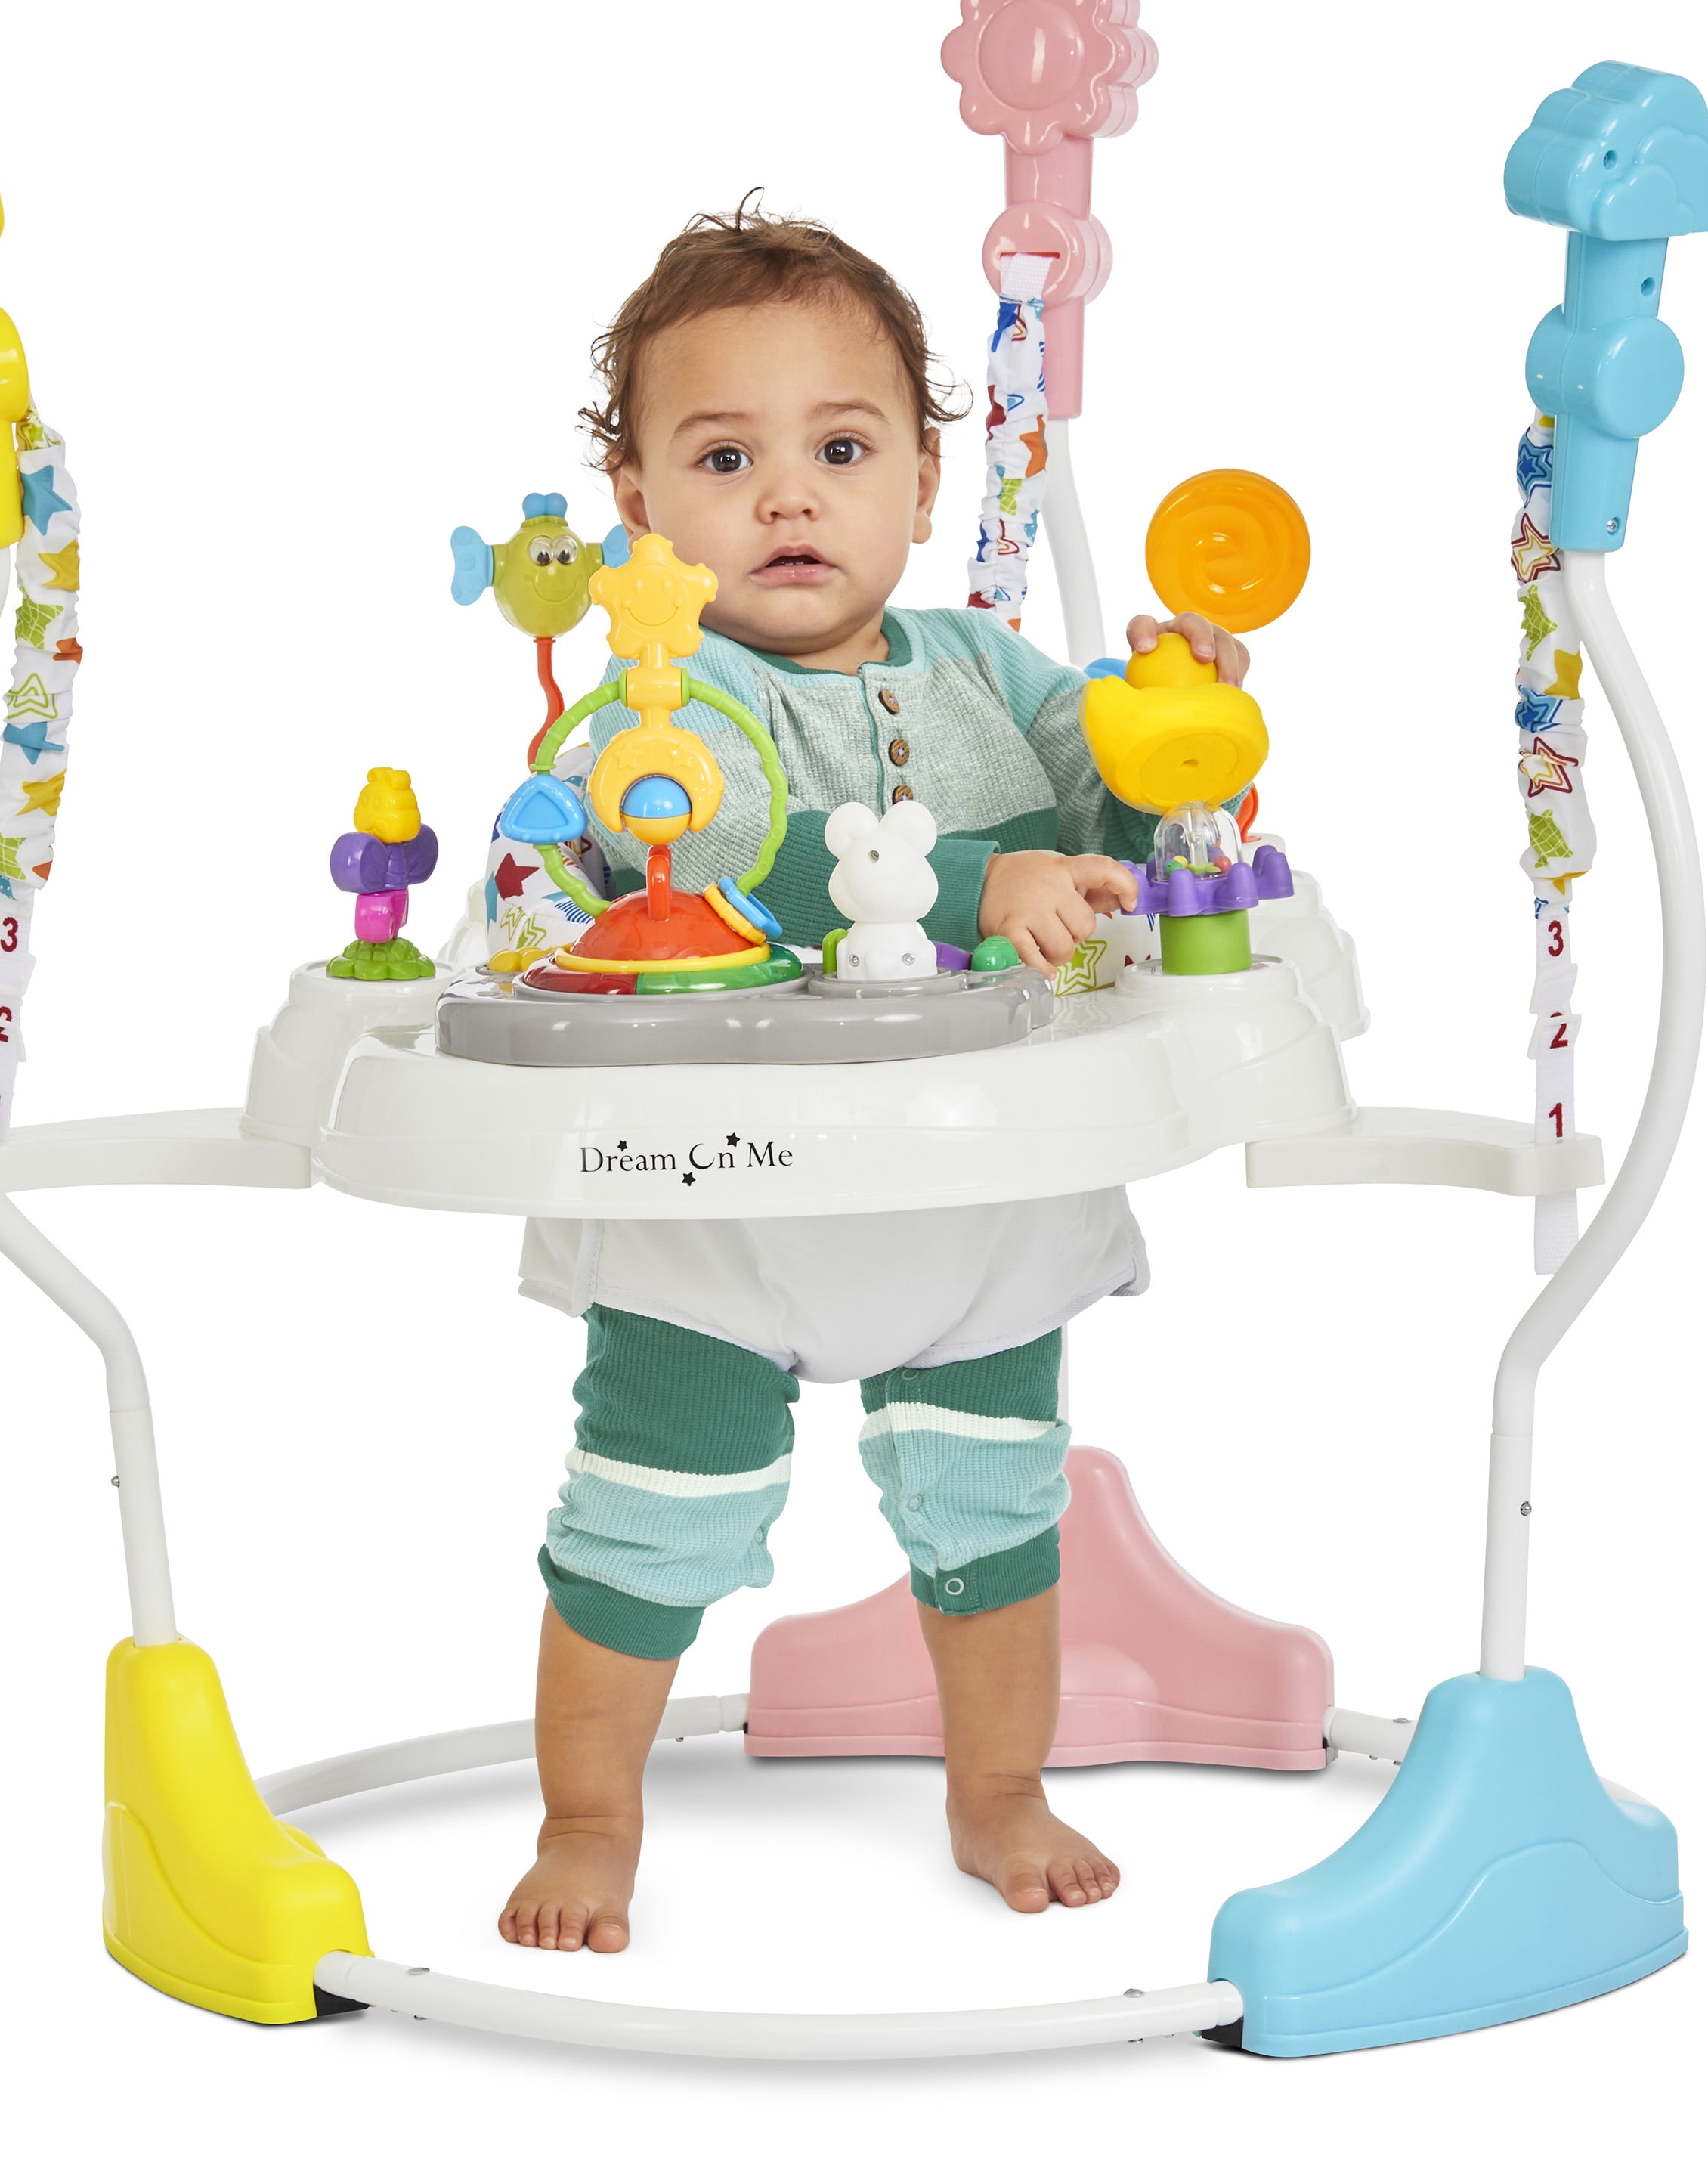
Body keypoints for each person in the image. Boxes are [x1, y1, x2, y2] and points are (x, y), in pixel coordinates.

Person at [503, 205, 1252, 1953]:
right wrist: (977, 887)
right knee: (652, 1514)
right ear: (637, 505)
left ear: (924, 485)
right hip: (723, 1209)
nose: (788, 498)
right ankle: (590, 1812)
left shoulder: (993, 674)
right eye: (725, 458)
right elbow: (710, 858)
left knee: (993, 1504)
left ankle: (999, 1789)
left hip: (973, 1196)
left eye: (840, 452)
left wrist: (1175, 734)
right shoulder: (665, 701)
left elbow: (1121, 820)